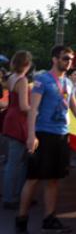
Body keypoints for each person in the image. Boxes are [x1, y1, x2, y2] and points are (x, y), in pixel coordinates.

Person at [16, 46, 76, 234]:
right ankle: (21, 219)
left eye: (71, 59)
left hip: (62, 135)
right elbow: (33, 109)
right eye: (65, 58)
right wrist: (31, 135)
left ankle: (49, 218)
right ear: (54, 59)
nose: (69, 62)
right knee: (33, 179)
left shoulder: (69, 84)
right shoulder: (42, 80)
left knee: (54, 179)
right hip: (43, 134)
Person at [2, 51, 32, 210]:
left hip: (10, 119)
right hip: (19, 121)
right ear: (27, 64)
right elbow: (24, 106)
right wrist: (36, 109)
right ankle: (11, 197)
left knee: (13, 161)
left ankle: (16, 194)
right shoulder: (23, 80)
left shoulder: (11, 77)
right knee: (16, 162)